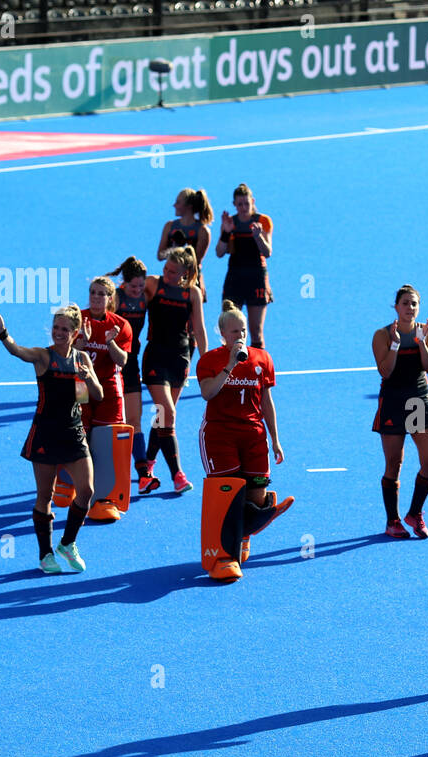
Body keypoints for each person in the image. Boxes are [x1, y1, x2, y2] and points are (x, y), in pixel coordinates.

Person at [0, 305, 103, 574]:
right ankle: (46, 554)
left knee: (86, 490)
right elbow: (17, 351)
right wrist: (2, 332)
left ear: (75, 333)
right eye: (56, 328)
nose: (58, 333)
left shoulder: (82, 359)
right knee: (45, 495)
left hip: (73, 433)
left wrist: (87, 379)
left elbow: (93, 396)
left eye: (64, 329)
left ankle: (67, 544)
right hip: (46, 433)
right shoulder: (43, 357)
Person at [197, 302, 294, 580]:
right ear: (222, 334)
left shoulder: (262, 358)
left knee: (255, 496)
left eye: (242, 330)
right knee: (229, 496)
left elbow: (266, 401)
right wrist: (229, 366)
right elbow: (207, 393)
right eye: (233, 332)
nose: (239, 336)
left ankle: (246, 529)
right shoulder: (210, 360)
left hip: (253, 435)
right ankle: (224, 557)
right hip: (220, 435)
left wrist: (276, 439)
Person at [54, 277, 134, 520]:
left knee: (105, 445)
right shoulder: (78, 319)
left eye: (101, 294)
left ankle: (103, 499)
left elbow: (122, 361)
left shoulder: (121, 326)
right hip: (81, 389)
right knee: (77, 438)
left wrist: (109, 341)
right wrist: (82, 342)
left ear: (110, 299)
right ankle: (67, 481)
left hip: (108, 391)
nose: (96, 297)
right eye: (93, 292)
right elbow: (62, 352)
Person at [141, 247, 209, 495]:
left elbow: (199, 331)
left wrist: (206, 362)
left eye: (173, 271)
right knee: (167, 412)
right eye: (166, 269)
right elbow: (130, 302)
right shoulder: (153, 285)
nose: (167, 273)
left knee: (163, 415)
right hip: (155, 357)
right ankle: (177, 475)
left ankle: (146, 465)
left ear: (186, 272)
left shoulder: (192, 293)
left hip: (179, 359)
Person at [372, 285, 428, 539]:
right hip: (393, 401)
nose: (410, 308)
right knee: (394, 464)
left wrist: (422, 343)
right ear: (396, 307)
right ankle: (392, 521)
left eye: (414, 304)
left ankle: (414, 513)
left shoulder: (426, 331)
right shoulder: (382, 335)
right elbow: (385, 372)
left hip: (419, 401)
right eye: (405, 304)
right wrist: (396, 345)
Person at [109, 257, 152, 488]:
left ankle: (143, 473)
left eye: (140, 286)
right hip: (110, 363)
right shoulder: (115, 298)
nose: (137, 290)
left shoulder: (147, 296)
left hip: (131, 363)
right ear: (124, 283)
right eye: (132, 286)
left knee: (135, 419)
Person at [216, 183, 274, 349]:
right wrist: (226, 232)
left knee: (256, 330)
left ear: (253, 201)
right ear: (234, 204)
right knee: (230, 328)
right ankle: (231, 368)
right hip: (235, 279)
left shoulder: (263, 221)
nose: (243, 207)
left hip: (256, 278)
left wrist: (257, 236)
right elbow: (219, 252)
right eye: (239, 204)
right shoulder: (230, 223)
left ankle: (257, 369)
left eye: (246, 203)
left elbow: (268, 252)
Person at [157, 188, 213, 300]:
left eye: (178, 202)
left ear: (189, 206)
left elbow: (196, 261)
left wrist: (182, 248)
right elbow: (160, 255)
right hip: (171, 278)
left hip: (191, 280)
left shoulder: (202, 231)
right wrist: (174, 249)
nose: (174, 205)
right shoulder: (170, 226)